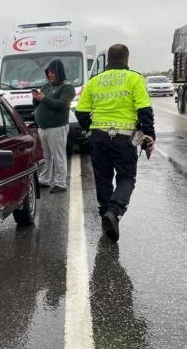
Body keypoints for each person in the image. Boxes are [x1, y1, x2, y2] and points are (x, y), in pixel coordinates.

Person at [75, 44, 155, 242]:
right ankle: (114, 211)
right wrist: (149, 135)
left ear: (108, 60)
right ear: (127, 60)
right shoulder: (134, 78)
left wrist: (89, 128)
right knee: (126, 177)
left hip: (99, 136)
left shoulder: (94, 81)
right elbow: (144, 110)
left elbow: (81, 112)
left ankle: (105, 214)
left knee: (102, 177)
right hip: (125, 137)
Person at [32, 59, 76, 193]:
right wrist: (35, 98)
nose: (50, 75)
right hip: (43, 127)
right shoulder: (46, 86)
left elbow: (62, 104)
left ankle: (61, 183)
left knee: (58, 156)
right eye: (49, 72)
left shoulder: (67, 87)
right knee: (46, 156)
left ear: (59, 72)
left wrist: (44, 99)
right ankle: (44, 179)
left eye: (53, 72)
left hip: (57, 127)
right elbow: (38, 105)